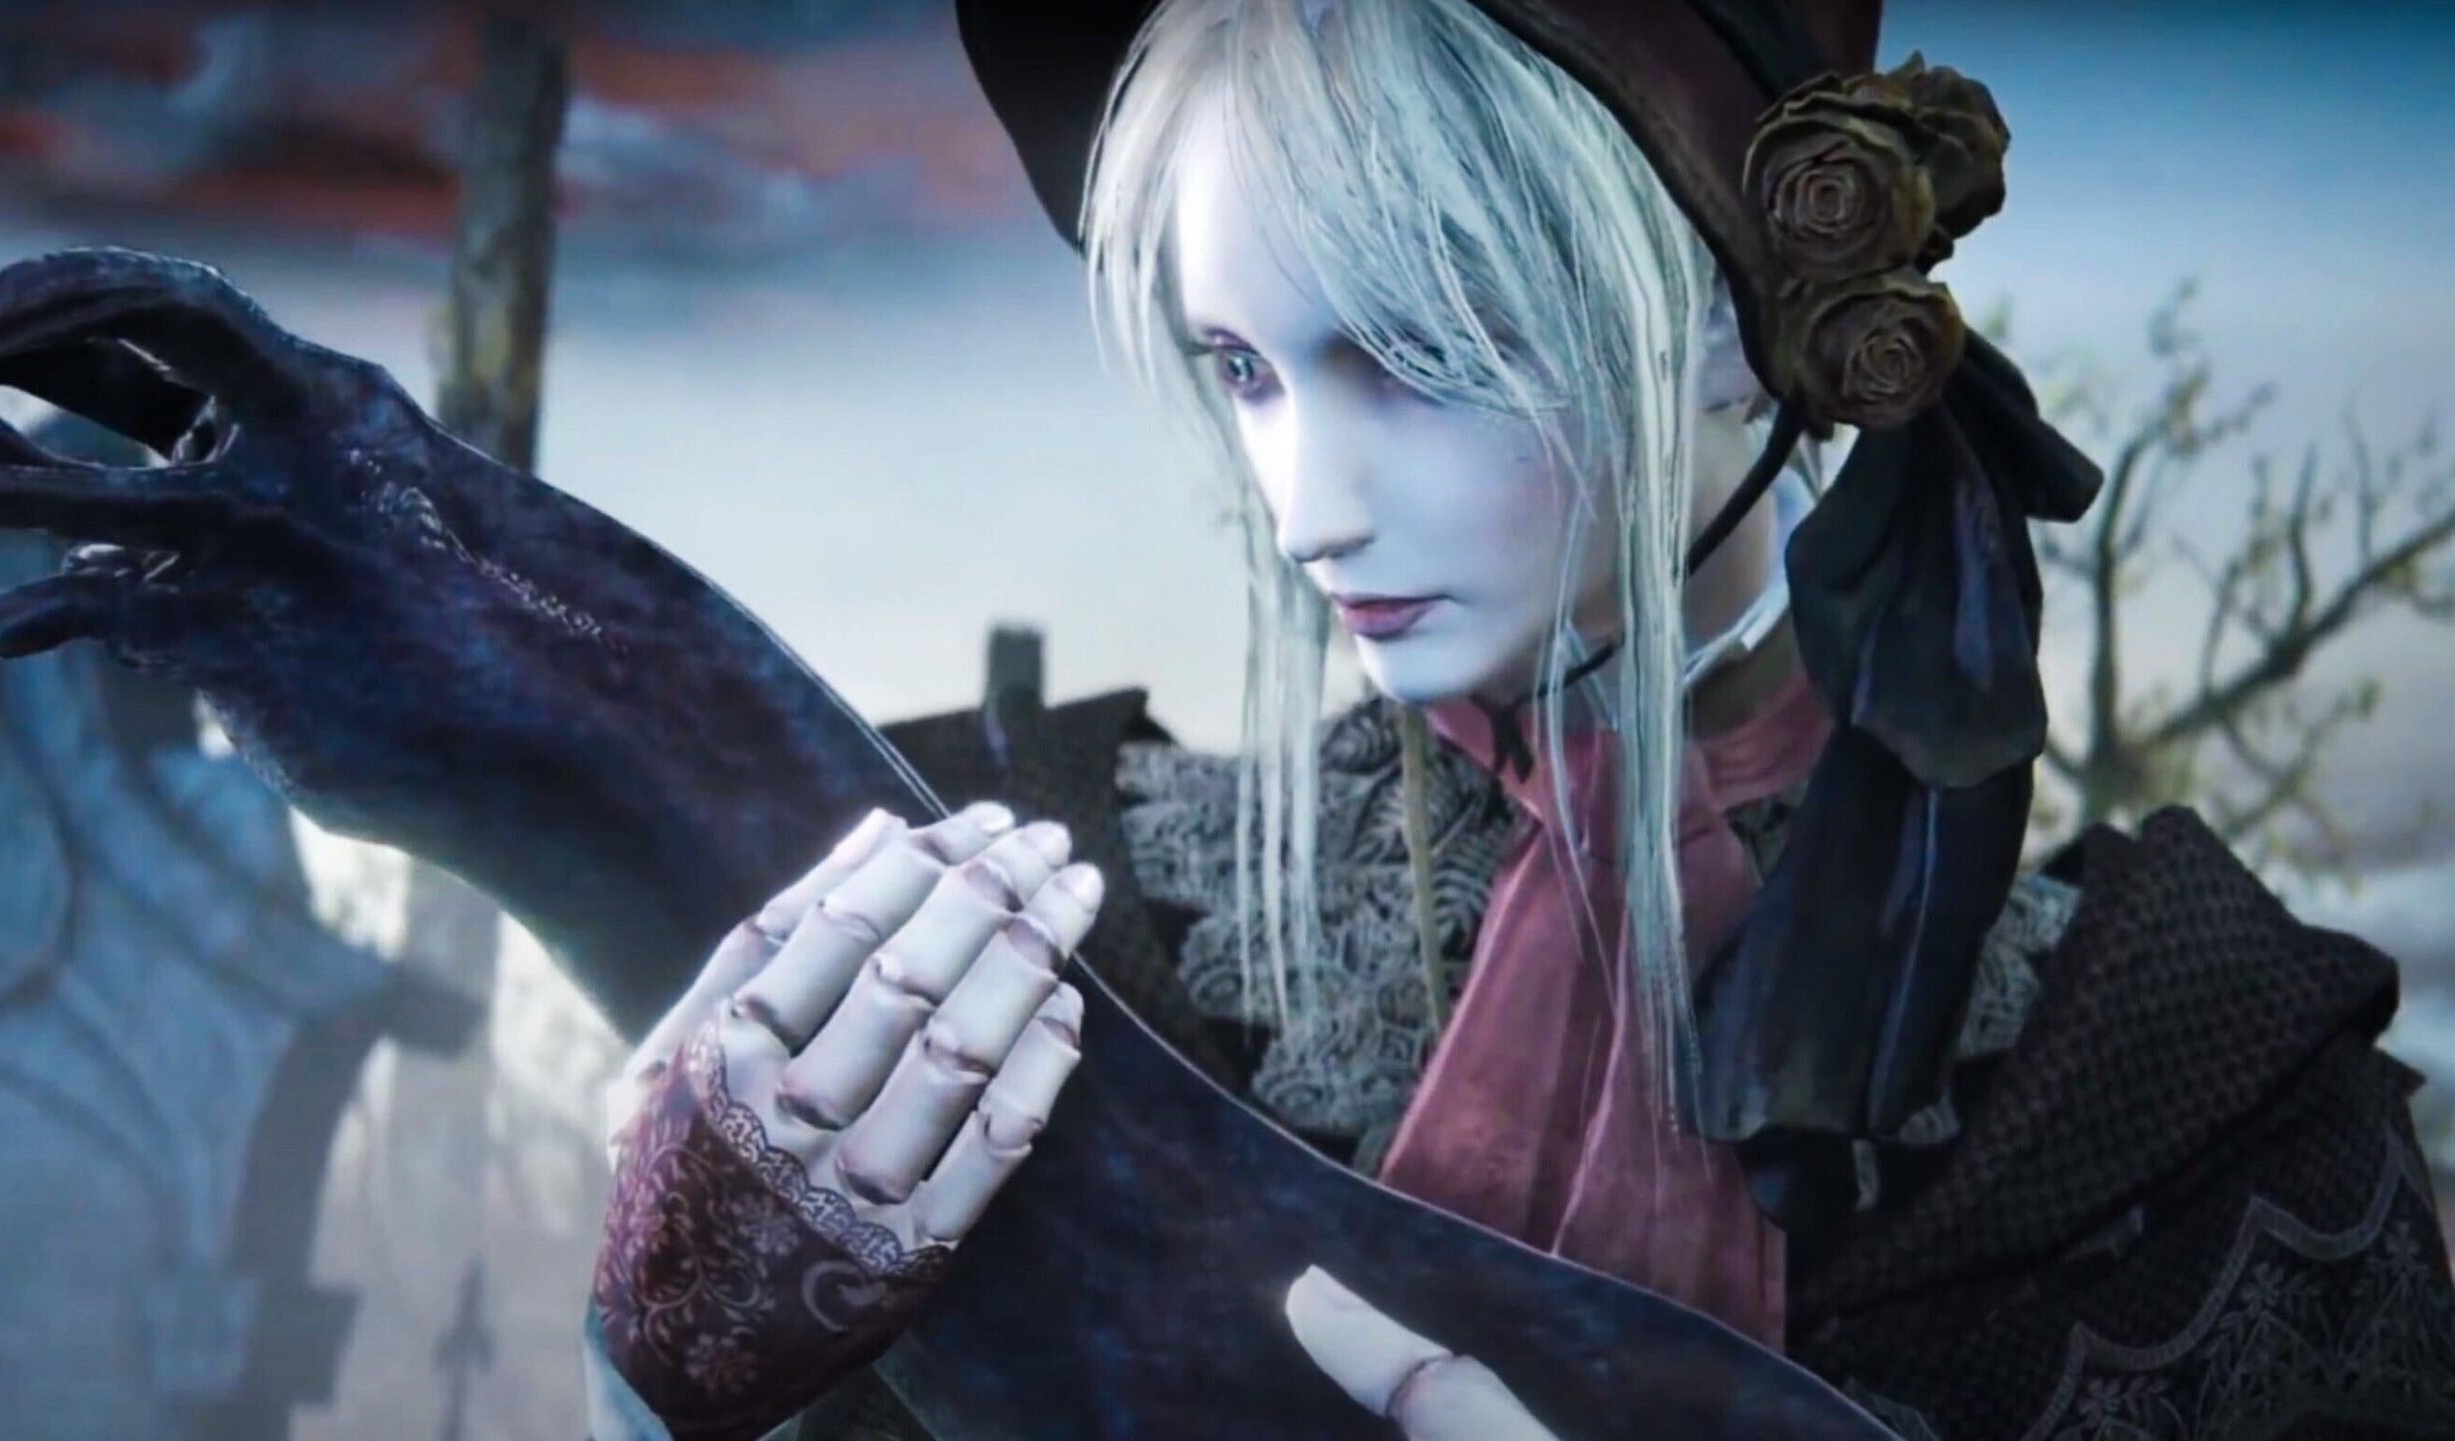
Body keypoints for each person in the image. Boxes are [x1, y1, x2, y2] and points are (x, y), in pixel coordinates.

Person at [586, 2, 2455, 1439]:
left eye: (1421, 354)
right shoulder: (1048, 927)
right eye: (1243, 367)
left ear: (1732, 322)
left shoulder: (2195, 1095)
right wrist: (671, 1363)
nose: (1304, 505)